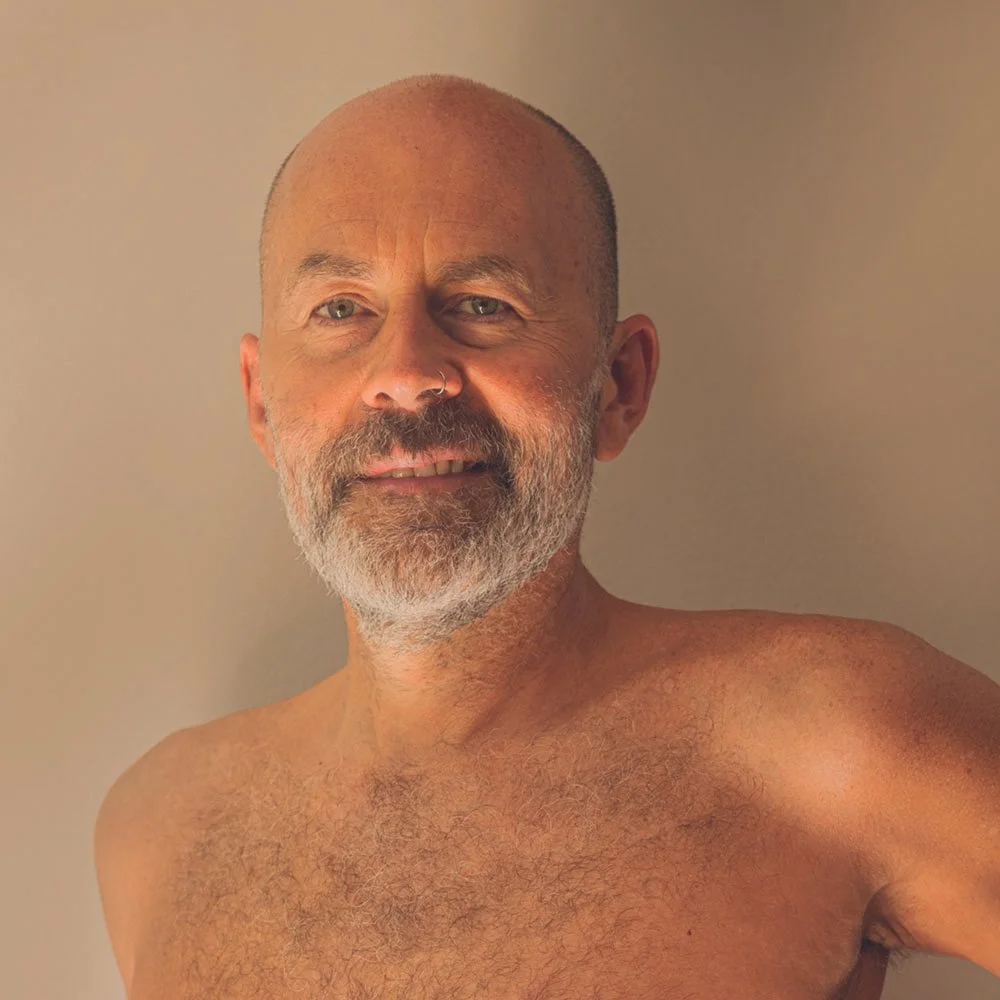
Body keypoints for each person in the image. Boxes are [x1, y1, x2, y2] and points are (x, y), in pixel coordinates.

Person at [94, 73, 1000, 999]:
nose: (405, 374)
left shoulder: (841, 745)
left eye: (484, 304)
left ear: (617, 385)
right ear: (260, 399)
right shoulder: (159, 832)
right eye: (340, 310)